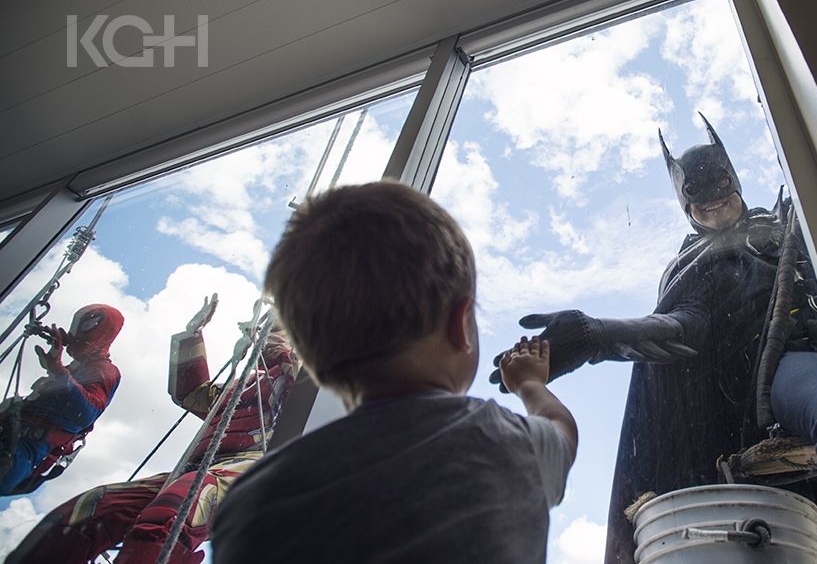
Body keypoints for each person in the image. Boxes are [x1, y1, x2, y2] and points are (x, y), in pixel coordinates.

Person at [492, 115, 817, 564]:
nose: (717, 209)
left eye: (724, 196)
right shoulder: (698, 264)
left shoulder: (793, 225)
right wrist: (594, 336)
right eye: (703, 206)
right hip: (785, 367)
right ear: (689, 210)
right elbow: (678, 331)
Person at [211, 181, 578, 564]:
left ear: (311, 356)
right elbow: (561, 432)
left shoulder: (249, 500)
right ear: (460, 323)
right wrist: (529, 382)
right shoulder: (504, 441)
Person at [8, 296, 301, 564]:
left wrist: (282, 349)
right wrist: (192, 335)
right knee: (89, 509)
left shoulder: (310, 376)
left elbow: (317, 397)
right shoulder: (245, 384)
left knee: (172, 513)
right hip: (197, 470)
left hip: (251, 471)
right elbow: (191, 394)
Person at [0, 304, 123, 496]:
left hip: (23, 452)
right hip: (11, 440)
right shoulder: (76, 368)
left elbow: (85, 413)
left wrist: (58, 372)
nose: (75, 332)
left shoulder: (104, 370)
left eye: (86, 325)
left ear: (101, 330)